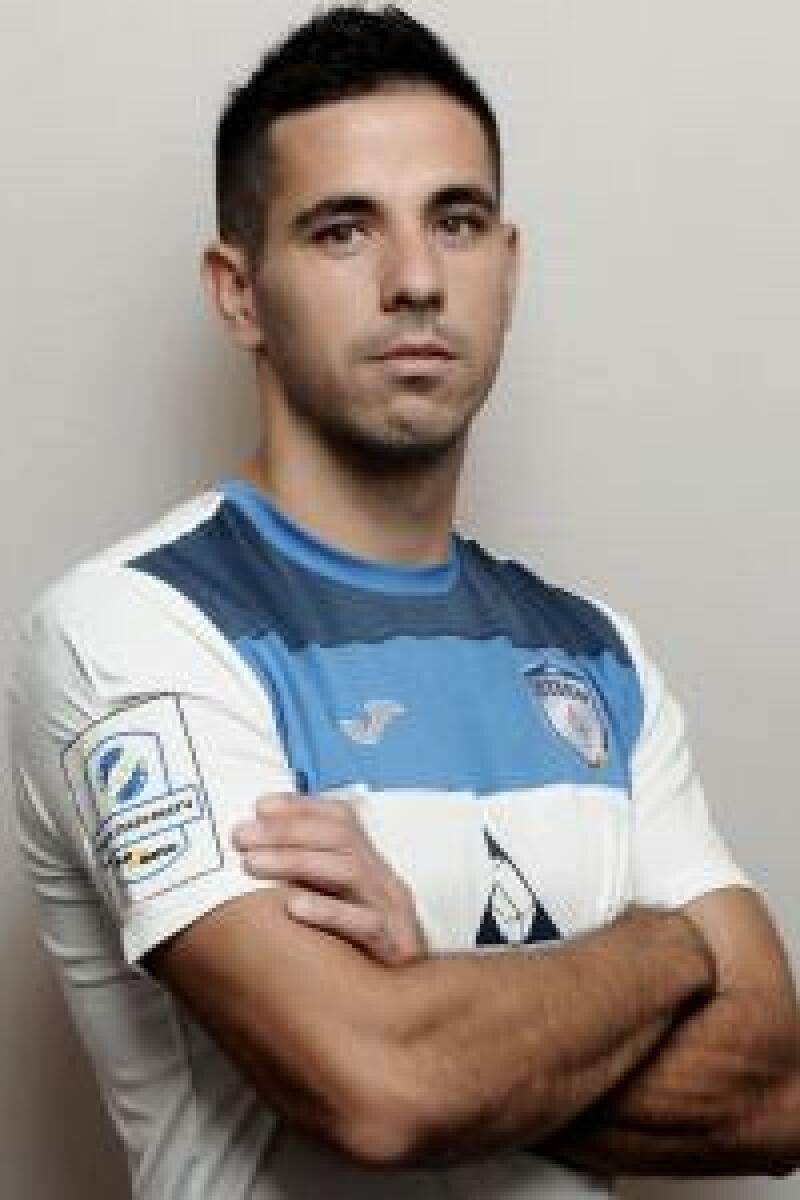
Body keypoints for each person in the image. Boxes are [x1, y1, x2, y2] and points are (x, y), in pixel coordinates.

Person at [9, 5, 799, 1198]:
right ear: (238, 292)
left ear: (507, 266)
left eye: (456, 221)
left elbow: (773, 1094)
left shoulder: (594, 653)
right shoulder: (135, 627)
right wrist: (670, 944)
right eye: (342, 230)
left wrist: (426, 978)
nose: (417, 280)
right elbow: (378, 1088)